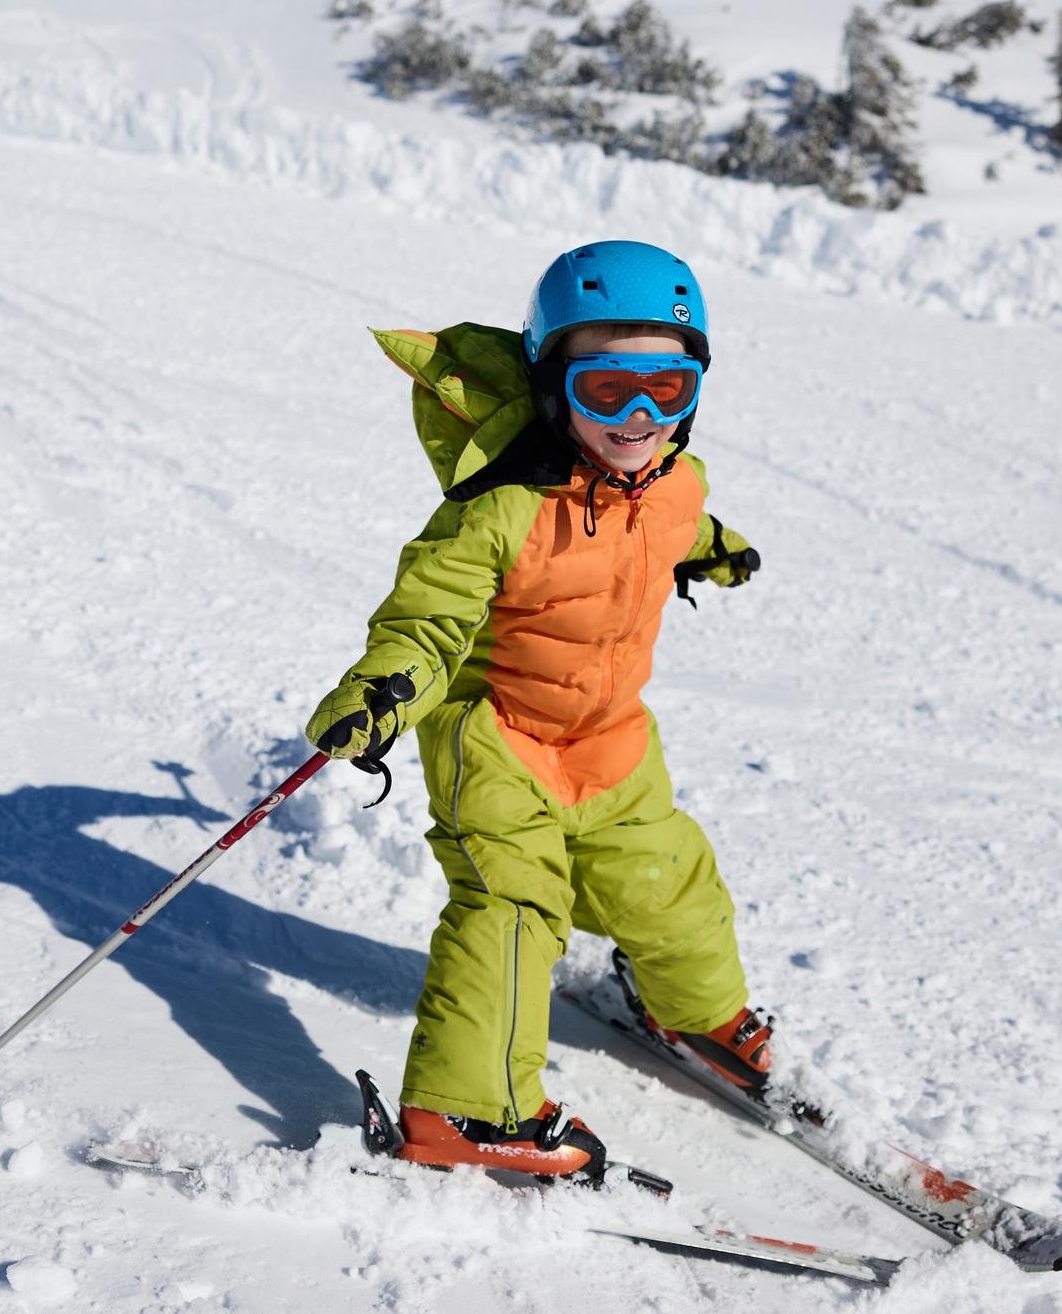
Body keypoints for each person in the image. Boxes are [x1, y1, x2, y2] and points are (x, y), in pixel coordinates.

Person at [307, 239, 768, 1183]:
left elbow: (668, 523)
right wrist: (385, 688)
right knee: (515, 905)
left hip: (608, 740)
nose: (640, 419)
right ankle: (464, 1111)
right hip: (499, 736)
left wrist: (710, 548)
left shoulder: (678, 483)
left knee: (671, 882)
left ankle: (694, 1011)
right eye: (608, 392)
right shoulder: (498, 509)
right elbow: (429, 617)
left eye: (668, 390)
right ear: (555, 383)